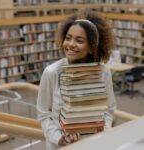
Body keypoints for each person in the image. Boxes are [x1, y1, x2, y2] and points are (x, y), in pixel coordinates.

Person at [37, 9, 116, 150]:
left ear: (92, 47)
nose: (71, 44)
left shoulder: (103, 73)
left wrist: (105, 130)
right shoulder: (52, 73)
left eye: (79, 40)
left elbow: (109, 110)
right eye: (68, 38)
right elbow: (43, 115)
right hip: (61, 146)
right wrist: (59, 138)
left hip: (94, 145)